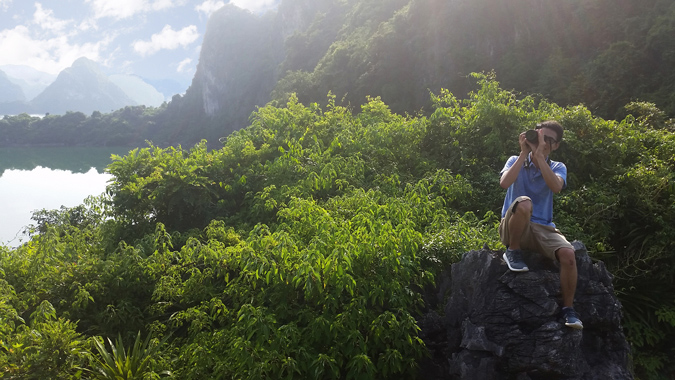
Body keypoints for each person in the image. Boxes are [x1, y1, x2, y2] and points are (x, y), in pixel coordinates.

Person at [498, 120, 583, 329]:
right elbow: (504, 183)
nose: (543, 142)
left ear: (556, 146)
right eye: (540, 136)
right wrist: (523, 154)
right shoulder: (514, 160)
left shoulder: (558, 167)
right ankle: (513, 251)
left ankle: (568, 310)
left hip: (542, 228)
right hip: (513, 224)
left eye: (549, 140)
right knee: (524, 203)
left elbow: (555, 187)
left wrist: (539, 158)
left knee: (569, 255)